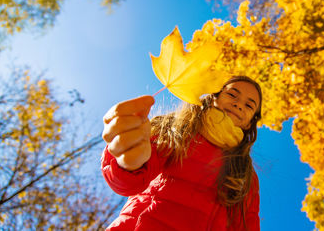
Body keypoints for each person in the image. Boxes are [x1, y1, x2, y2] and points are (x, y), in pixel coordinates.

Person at [101, 76, 262, 230]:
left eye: (249, 106)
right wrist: (128, 160)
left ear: (250, 123)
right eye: (232, 94)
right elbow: (127, 182)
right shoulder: (176, 128)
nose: (239, 105)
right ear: (213, 97)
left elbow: (245, 225)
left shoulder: (246, 174)